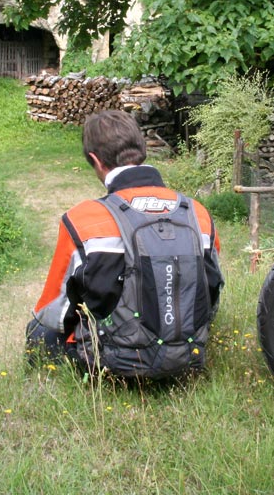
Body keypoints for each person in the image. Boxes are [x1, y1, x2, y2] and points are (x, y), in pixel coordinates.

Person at [26, 109, 223, 373]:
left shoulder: (81, 219)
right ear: (142, 149)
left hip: (110, 361)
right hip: (189, 356)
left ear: (95, 160)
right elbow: (212, 292)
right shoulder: (198, 213)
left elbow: (55, 313)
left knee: (39, 330)